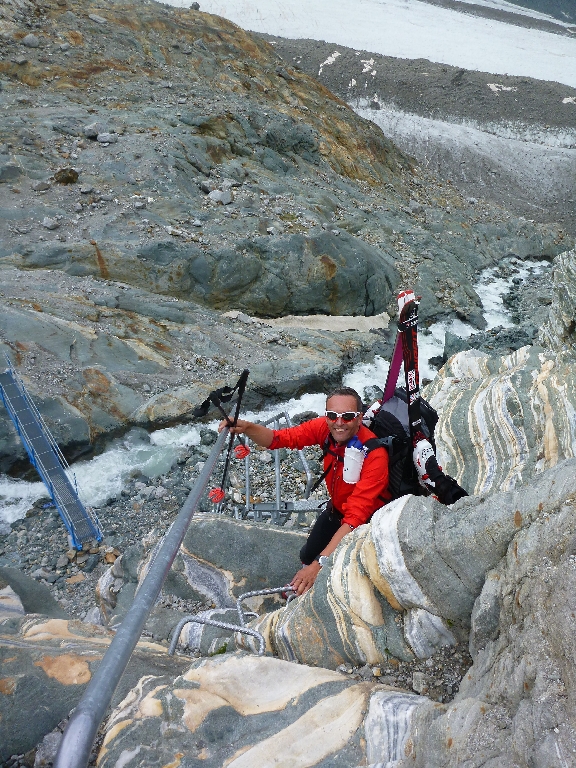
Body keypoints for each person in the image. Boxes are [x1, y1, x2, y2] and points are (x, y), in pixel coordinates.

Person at [219, 386, 391, 595]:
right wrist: (246, 427)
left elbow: (356, 518)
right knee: (308, 554)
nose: (338, 423)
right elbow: (278, 439)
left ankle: (313, 589)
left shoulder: (375, 456)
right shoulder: (325, 430)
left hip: (365, 525)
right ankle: (303, 585)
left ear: (359, 417)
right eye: (331, 415)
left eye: (347, 416)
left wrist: (319, 565)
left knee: (335, 573)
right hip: (337, 510)